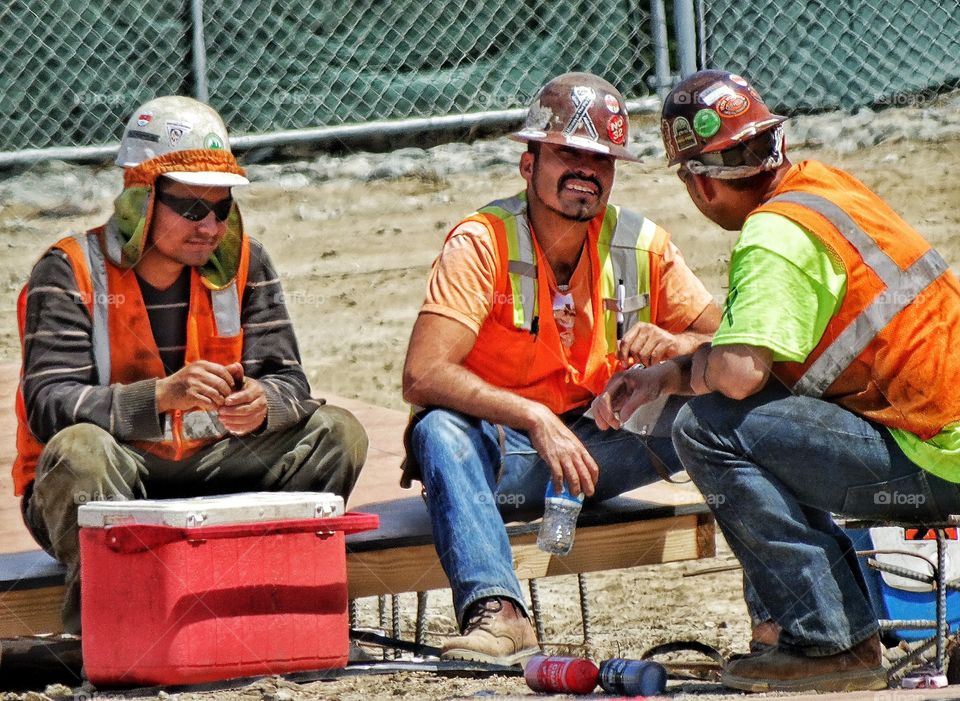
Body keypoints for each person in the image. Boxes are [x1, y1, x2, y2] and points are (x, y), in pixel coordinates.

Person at [593, 69, 960, 692]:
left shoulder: (773, 234)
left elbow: (736, 376)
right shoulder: (824, 188)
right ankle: (792, 631)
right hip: (939, 429)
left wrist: (682, 375)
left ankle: (833, 643)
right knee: (752, 412)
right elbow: (768, 358)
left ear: (700, 184)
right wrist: (672, 372)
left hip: (938, 458)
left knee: (709, 429)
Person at [14, 96, 368, 634]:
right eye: (192, 209)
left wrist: (265, 404)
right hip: (113, 477)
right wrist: (157, 397)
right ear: (140, 201)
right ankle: (112, 634)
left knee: (337, 433)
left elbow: (290, 380)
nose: (210, 227)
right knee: (79, 451)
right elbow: (48, 406)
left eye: (221, 209)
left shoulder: (248, 262)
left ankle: (263, 604)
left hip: (214, 463)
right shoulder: (69, 272)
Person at [401, 72, 721, 666]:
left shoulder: (639, 243)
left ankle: (787, 622)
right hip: (510, 457)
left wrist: (676, 347)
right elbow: (422, 375)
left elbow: (727, 341)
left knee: (728, 396)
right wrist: (535, 418)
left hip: (604, 447)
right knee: (436, 431)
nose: (585, 169)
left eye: (601, 159)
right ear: (529, 165)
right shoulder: (481, 243)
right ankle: (498, 616)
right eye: (567, 153)